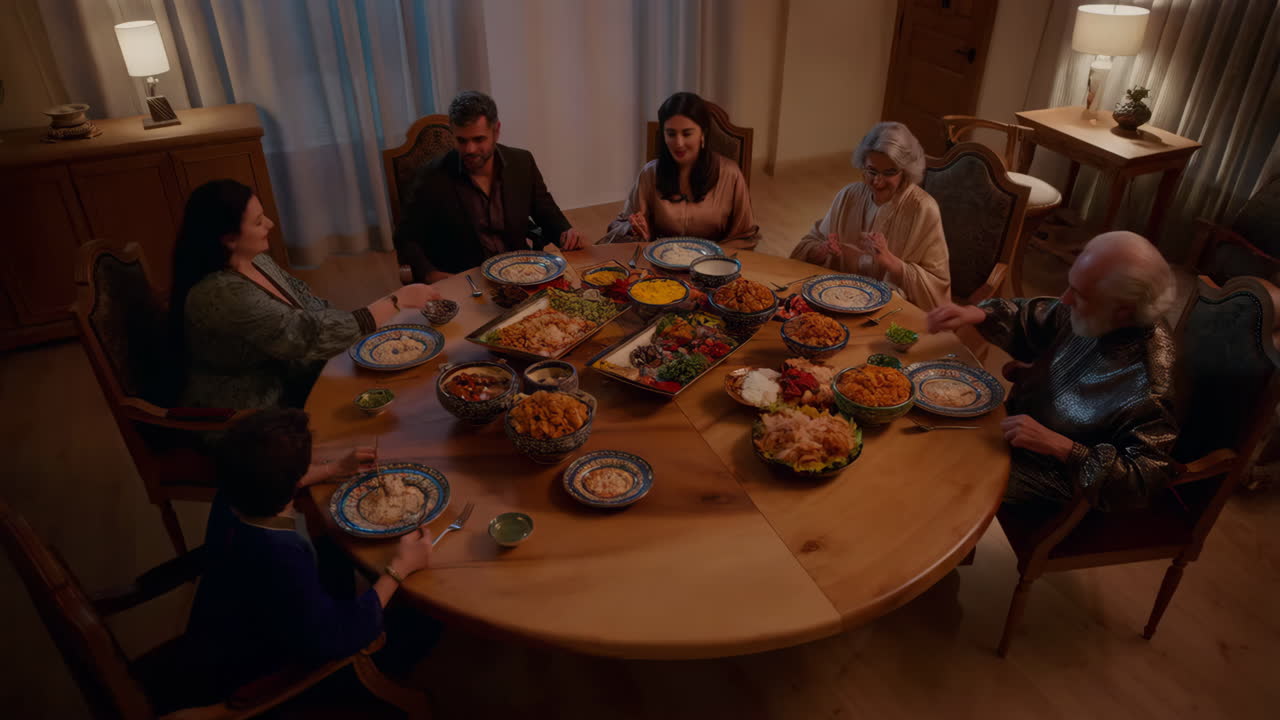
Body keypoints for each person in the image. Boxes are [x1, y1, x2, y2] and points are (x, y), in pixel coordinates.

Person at [183, 409, 435, 703]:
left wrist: (332, 469)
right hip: (261, 666)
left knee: (340, 544)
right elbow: (333, 637)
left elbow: (274, 481)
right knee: (423, 619)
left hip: (236, 620)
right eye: (306, 465)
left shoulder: (234, 491)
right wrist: (398, 570)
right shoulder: (280, 556)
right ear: (289, 482)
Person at [926, 231, 1179, 510]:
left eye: (1080, 295)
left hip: (1056, 474)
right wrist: (980, 314)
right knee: (930, 432)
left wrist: (1065, 449)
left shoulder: (1150, 381)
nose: (1066, 299)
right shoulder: (1103, 312)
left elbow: (1143, 480)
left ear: (1123, 311)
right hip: (1019, 427)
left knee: (947, 477)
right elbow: (1044, 316)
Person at [172, 179, 440, 410]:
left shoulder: (256, 261)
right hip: (256, 413)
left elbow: (312, 306)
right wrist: (394, 301)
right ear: (229, 238)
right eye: (257, 222)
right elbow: (304, 335)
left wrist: (365, 323)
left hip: (297, 374)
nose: (270, 224)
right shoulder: (223, 294)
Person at [394, 91, 584, 283]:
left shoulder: (522, 162)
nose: (470, 149)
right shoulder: (431, 177)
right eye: (462, 140)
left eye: (478, 139)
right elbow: (405, 237)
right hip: (467, 280)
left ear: (496, 131)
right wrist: (429, 273)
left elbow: (544, 209)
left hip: (520, 273)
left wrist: (564, 232)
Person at [790, 121, 950, 310]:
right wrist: (821, 251)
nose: (878, 181)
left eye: (889, 173)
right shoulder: (848, 195)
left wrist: (891, 262)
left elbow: (937, 285)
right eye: (871, 171)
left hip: (892, 312)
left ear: (905, 171)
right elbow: (808, 244)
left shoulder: (924, 209)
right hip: (838, 300)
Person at [601, 91, 760, 248]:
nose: (679, 143)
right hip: (658, 264)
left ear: (702, 134)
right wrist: (636, 229)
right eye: (671, 134)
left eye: (687, 134)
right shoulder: (650, 173)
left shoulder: (731, 174)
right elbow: (621, 226)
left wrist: (713, 257)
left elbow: (746, 237)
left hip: (713, 265)